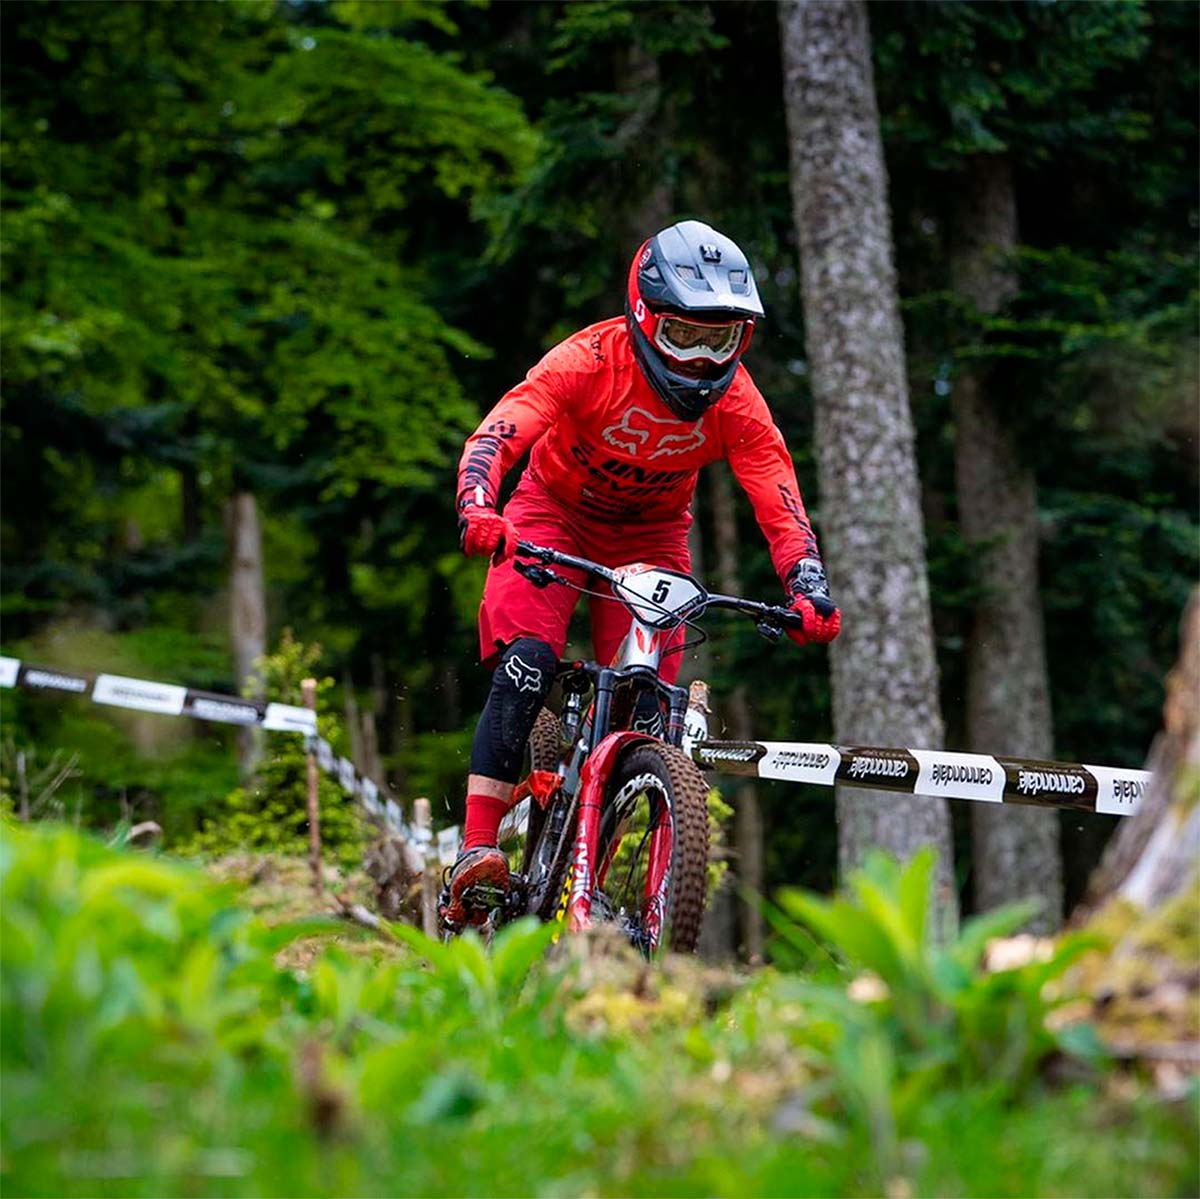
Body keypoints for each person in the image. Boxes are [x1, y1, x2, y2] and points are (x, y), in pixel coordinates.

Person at [443, 219, 840, 924]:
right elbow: (504, 427)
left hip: (651, 538)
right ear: (643, 315)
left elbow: (776, 491)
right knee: (529, 663)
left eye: (720, 340)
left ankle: (588, 860)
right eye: (683, 335)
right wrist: (478, 500)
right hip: (551, 514)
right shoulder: (588, 361)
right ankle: (478, 851)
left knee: (652, 707)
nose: (701, 360)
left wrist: (806, 579)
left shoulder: (737, 402)